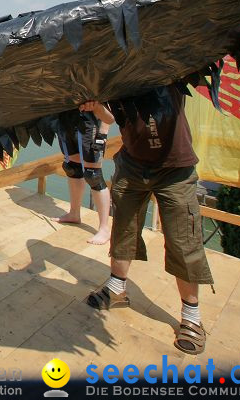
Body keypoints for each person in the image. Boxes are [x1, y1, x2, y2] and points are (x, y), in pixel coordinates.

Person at [84, 88, 213, 355]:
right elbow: (116, 117)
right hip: (133, 164)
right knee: (123, 228)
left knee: (183, 240)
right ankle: (117, 288)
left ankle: (191, 316)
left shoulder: (167, 71)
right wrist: (96, 108)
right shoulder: (117, 77)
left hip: (175, 167)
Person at [54, 108, 113, 244]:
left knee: (93, 175)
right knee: (72, 168)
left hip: (90, 123)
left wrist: (103, 133)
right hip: (66, 120)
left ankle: (104, 228)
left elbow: (109, 100)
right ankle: (74, 213)